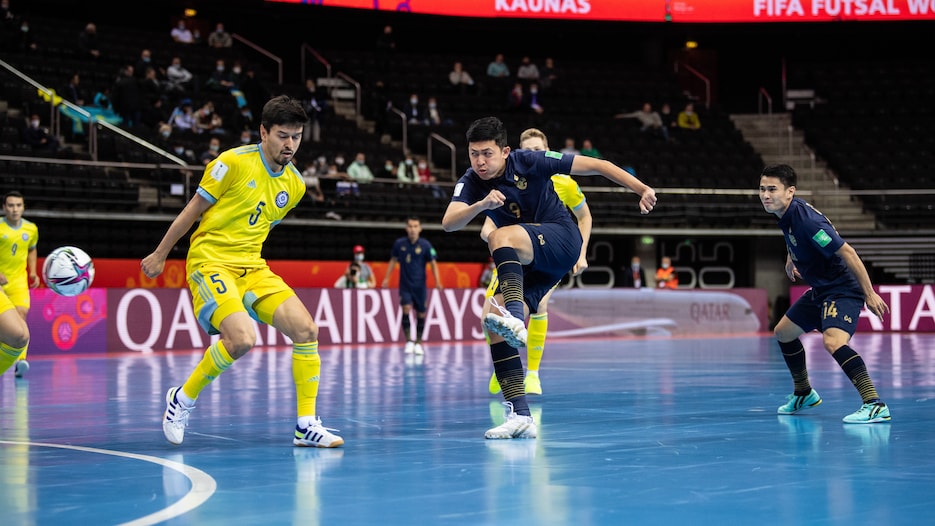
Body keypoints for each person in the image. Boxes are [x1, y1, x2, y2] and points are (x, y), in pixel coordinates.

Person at [141, 94, 344, 448]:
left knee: (306, 329)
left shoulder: (294, 186)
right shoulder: (231, 163)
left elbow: (260, 225)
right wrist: (160, 254)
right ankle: (181, 400)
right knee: (242, 339)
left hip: (252, 265)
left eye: (296, 136)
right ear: (263, 132)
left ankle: (305, 424)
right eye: (283, 135)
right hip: (211, 260)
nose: (290, 144)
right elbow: (191, 211)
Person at [442, 116, 655, 439]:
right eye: (474, 154)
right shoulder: (472, 181)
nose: (480, 162)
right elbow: (448, 222)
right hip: (531, 262)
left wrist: (640, 189)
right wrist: (482, 204)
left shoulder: (531, 161)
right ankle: (520, 415)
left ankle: (515, 316)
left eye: (487, 153)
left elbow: (597, 164)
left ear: (505, 151)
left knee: (500, 238)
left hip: (561, 240)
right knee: (490, 320)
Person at [760, 163, 891, 424]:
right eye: (762, 189)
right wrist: (791, 257)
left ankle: (874, 403)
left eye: (772, 189)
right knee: (783, 333)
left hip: (842, 289)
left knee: (833, 342)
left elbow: (848, 252)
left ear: (790, 192)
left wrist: (869, 293)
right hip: (821, 288)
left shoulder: (808, 222)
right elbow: (792, 235)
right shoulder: (786, 213)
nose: (765, 195)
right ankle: (804, 392)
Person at [483, 127, 593, 397]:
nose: (533, 155)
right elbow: (486, 229)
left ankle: (532, 374)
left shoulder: (564, 182)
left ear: (547, 151)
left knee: (539, 302)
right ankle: (505, 368)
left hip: (547, 254)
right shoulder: (509, 181)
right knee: (490, 311)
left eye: (537, 150)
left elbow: (585, 217)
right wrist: (507, 239)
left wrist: (582, 253)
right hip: (515, 256)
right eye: (527, 150)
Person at [381, 216, 443, 356]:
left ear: (420, 228)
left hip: (420, 286)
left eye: (415, 226)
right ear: (406, 228)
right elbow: (392, 260)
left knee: (421, 313)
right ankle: (409, 341)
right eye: (410, 226)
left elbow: (433, 264)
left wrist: (438, 281)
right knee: (406, 309)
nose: (413, 229)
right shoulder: (399, 244)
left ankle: (418, 343)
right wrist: (386, 278)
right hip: (405, 285)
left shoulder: (426, 245)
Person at [0, 191, 38, 378]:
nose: (15, 209)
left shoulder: (31, 229)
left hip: (18, 282)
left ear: (23, 207)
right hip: (0, 281)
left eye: (18, 205)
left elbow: (32, 249)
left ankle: (21, 360)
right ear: (4, 208)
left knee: (21, 318)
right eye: (11, 205)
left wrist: (32, 272)